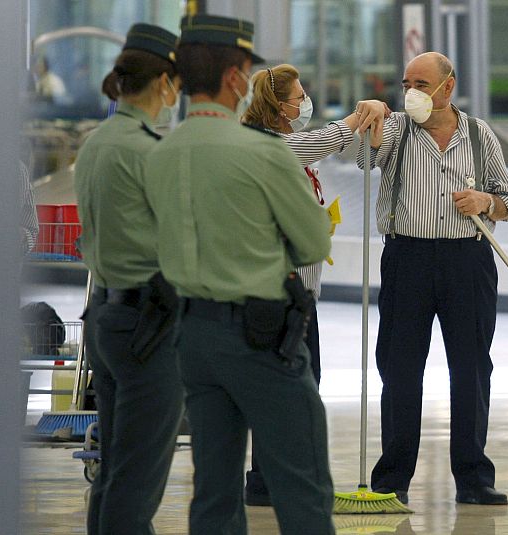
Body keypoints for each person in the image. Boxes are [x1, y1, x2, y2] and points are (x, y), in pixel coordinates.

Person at [144, 15, 335, 535]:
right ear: (234, 77)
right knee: (304, 482)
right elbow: (315, 242)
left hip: (191, 337)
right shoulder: (263, 153)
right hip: (259, 336)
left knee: (215, 491)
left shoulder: (161, 154)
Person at [357, 51, 508, 506]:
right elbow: (363, 161)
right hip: (406, 256)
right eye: (406, 83)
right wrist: (369, 116)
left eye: (422, 84)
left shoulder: (478, 133)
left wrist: (485, 201)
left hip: (467, 260)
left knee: (470, 367)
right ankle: (392, 478)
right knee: (400, 367)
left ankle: (473, 477)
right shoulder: (394, 129)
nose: (411, 92)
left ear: (448, 87)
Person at [240, 64, 386, 506]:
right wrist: (360, 117)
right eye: (299, 96)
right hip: (278, 291)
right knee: (286, 385)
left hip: (302, 293)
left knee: (304, 381)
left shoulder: (282, 149)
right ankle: (272, 481)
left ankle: (278, 477)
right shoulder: (271, 145)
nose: (305, 103)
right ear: (278, 105)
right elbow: (315, 142)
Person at [73, 23, 184, 535]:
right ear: (164, 81)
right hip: (147, 326)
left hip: (106, 316)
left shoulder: (97, 143)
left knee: (115, 473)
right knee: (137, 481)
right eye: (176, 82)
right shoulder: (146, 151)